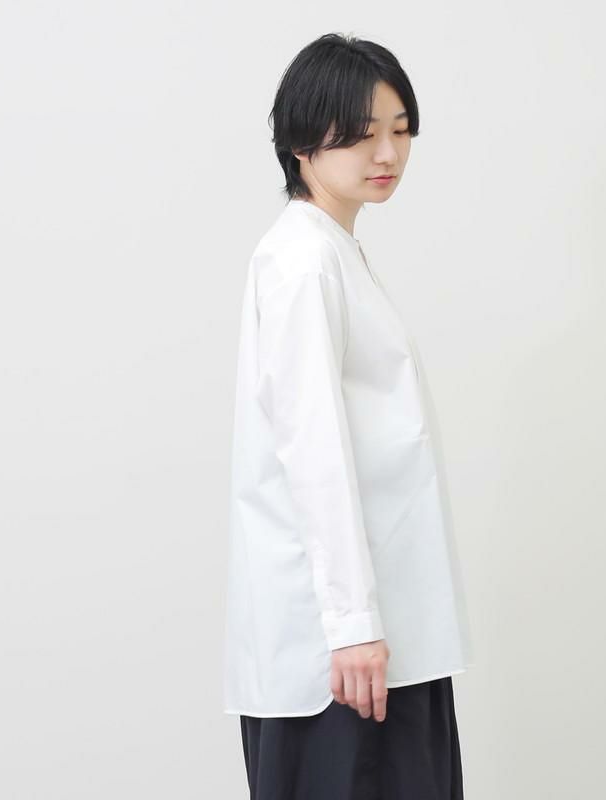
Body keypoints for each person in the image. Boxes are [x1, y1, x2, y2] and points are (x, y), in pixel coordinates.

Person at [222, 32, 474, 799]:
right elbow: (313, 450)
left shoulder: (330, 251)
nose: (387, 153)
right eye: (362, 133)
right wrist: (354, 623)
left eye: (401, 129)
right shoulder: (303, 262)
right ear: (302, 141)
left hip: (373, 633)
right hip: (341, 652)